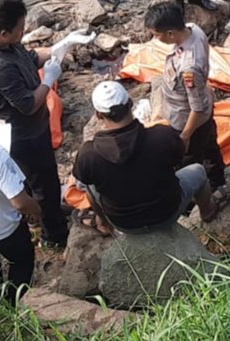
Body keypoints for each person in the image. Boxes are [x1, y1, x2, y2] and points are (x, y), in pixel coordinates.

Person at [0, 0, 85, 248]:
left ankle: (37, 214)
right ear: (4, 32)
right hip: (24, 134)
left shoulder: (2, 44)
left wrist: (62, 45)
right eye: (20, 28)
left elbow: (29, 57)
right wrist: (48, 80)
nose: (24, 32)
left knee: (28, 178)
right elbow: (27, 105)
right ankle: (55, 234)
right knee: (44, 184)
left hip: (28, 128)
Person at [72, 80, 220, 231]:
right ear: (130, 103)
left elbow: (84, 185)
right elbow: (180, 156)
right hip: (167, 213)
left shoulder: (88, 155)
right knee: (198, 170)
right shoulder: (161, 136)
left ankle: (103, 223)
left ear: (98, 115)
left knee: (89, 185)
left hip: (124, 224)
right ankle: (207, 212)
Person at [144, 1, 229, 201]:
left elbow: (196, 109)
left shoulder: (189, 67)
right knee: (210, 146)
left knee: (189, 160)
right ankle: (218, 180)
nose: (156, 39)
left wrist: (185, 136)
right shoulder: (194, 30)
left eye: (157, 35)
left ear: (171, 33)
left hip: (187, 119)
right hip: (203, 108)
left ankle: (193, 198)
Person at [0, 120, 42, 305]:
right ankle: (15, 304)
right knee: (21, 264)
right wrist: (37, 212)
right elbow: (20, 203)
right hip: (7, 230)